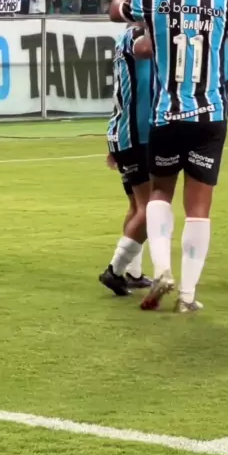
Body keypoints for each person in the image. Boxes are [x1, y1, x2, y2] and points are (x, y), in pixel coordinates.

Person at [110, 0, 228, 312]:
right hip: (209, 116)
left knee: (160, 193)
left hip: (166, 114)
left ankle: (162, 268)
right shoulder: (225, 0)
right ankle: (188, 296)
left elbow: (116, 13)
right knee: (199, 208)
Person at [99, 24, 153, 296]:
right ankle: (115, 270)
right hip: (137, 135)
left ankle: (133, 272)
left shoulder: (124, 37)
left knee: (136, 206)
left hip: (122, 132)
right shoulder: (139, 38)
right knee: (151, 208)